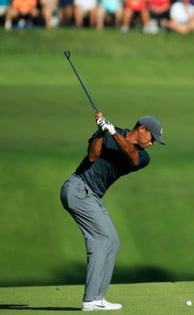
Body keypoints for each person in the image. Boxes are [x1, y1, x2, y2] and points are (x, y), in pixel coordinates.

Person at [60, 113, 165, 311]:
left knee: (112, 242)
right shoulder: (108, 133)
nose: (152, 143)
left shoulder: (143, 157)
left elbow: (131, 156)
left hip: (90, 196)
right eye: (152, 138)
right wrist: (101, 132)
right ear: (142, 129)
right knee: (102, 241)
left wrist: (112, 131)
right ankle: (90, 300)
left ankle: (97, 298)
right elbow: (92, 155)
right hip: (78, 188)